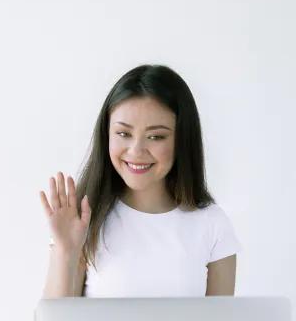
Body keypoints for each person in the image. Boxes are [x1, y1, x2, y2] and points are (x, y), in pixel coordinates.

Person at [39, 64, 241, 301]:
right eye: (124, 134)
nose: (136, 151)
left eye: (156, 136)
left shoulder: (212, 225)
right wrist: (66, 251)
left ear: (182, 140)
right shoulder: (84, 220)